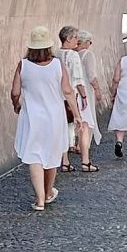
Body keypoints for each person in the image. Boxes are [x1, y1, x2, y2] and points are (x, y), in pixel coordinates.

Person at [11, 26, 82, 211]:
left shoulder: (23, 64)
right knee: (51, 155)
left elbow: (15, 91)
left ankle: (40, 199)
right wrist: (77, 115)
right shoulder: (58, 64)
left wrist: (16, 105)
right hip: (54, 116)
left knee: (34, 155)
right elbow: (67, 91)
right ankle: (48, 192)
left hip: (32, 116)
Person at [56, 26, 98, 172]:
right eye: (75, 37)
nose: (77, 40)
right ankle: (85, 161)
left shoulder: (56, 54)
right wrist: (84, 96)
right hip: (74, 96)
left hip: (59, 96)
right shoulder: (73, 56)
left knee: (63, 127)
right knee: (83, 126)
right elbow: (78, 80)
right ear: (68, 39)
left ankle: (65, 161)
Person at [76, 30, 103, 151]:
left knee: (76, 117)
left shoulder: (71, 55)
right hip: (85, 89)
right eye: (89, 42)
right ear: (85, 42)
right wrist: (97, 90)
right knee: (87, 117)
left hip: (73, 89)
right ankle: (83, 145)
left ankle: (75, 143)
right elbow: (92, 75)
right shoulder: (88, 55)